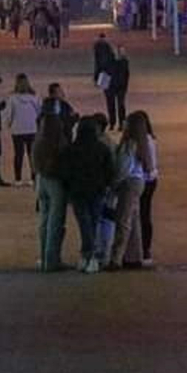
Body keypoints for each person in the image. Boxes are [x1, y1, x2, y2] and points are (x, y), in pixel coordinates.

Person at [64, 115, 115, 273]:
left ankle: (88, 255)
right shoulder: (102, 148)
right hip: (97, 191)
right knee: (92, 222)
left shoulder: (71, 150)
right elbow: (110, 171)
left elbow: (65, 172)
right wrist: (105, 185)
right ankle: (90, 256)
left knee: (85, 224)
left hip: (77, 191)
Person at [107, 114, 148, 270]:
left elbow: (122, 169)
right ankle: (134, 256)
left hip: (129, 184)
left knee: (123, 221)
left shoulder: (129, 145)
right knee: (134, 220)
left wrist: (113, 184)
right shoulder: (144, 142)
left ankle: (116, 258)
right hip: (138, 181)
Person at [31, 110, 68, 271]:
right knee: (56, 222)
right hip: (55, 182)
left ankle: (44, 257)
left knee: (44, 221)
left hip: (41, 181)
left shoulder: (38, 141)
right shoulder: (59, 142)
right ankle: (52, 260)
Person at [129, 108, 159, 266]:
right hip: (151, 180)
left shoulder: (139, 142)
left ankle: (138, 251)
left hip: (142, 180)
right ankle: (145, 250)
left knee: (136, 216)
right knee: (145, 214)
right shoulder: (151, 139)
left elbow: (147, 164)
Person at [3, 73, 41, 184]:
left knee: (18, 154)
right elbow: (39, 111)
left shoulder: (12, 98)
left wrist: (8, 124)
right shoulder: (35, 97)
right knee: (32, 154)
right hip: (32, 129)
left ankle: (18, 178)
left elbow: (9, 114)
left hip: (17, 130)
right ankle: (33, 177)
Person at [42, 81, 78, 145]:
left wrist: (74, 117)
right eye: (59, 91)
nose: (62, 93)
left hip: (65, 134)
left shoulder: (65, 105)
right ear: (52, 94)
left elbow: (72, 117)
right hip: (51, 136)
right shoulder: (46, 105)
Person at [107, 43, 131, 128]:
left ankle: (121, 123)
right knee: (111, 105)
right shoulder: (109, 61)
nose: (120, 53)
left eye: (121, 51)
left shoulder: (124, 62)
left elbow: (126, 75)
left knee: (121, 105)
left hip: (121, 87)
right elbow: (105, 73)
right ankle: (112, 123)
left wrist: (125, 86)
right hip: (111, 86)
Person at [93, 31, 116, 102]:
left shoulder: (97, 44)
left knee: (101, 73)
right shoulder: (107, 44)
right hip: (106, 63)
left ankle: (102, 85)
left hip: (101, 63)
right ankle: (105, 86)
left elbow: (96, 55)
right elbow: (112, 54)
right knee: (105, 74)